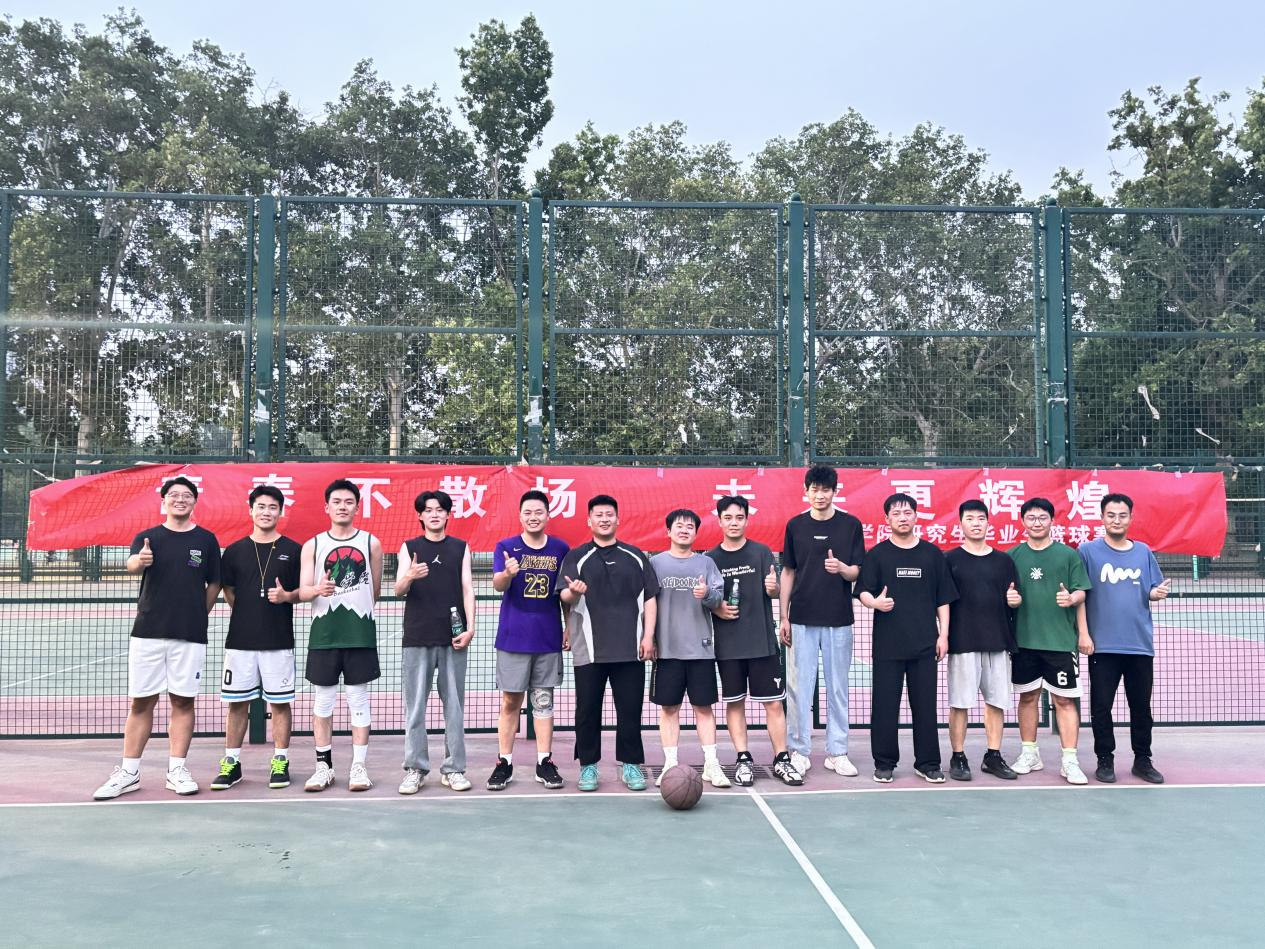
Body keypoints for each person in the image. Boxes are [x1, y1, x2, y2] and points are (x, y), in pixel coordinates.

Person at [93, 477, 221, 800]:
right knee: (141, 702)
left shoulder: (206, 540)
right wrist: (141, 561)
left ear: (195, 502)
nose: (180, 500)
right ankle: (129, 772)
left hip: (189, 635)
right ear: (163, 501)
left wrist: (198, 613)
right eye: (174, 495)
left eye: (187, 495)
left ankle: (176, 770)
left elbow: (215, 583)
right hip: (148, 633)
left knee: (183, 701)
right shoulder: (147, 537)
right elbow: (132, 564)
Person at [557, 495, 658, 792]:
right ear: (589, 520)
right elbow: (564, 596)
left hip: (630, 648)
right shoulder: (577, 556)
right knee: (587, 710)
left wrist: (648, 635)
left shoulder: (635, 556)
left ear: (617, 519)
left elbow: (650, 597)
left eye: (609, 514)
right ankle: (588, 766)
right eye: (598, 515)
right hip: (589, 648)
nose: (604, 519)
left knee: (630, 710)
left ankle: (631, 764)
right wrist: (575, 592)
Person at [857, 493, 957, 783]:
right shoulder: (877, 555)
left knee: (925, 706)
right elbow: (863, 590)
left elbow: (943, 599)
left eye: (907, 512)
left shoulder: (932, 554)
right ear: (887, 519)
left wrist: (944, 635)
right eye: (896, 513)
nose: (902, 518)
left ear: (916, 516)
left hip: (925, 643)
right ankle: (884, 762)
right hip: (888, 645)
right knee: (885, 706)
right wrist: (875, 603)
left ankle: (927, 763)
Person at [211, 485, 302, 791]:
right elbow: (229, 590)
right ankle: (232, 762)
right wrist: (248, 611)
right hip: (240, 641)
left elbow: (301, 591)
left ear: (281, 512)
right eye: (261, 506)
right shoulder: (235, 550)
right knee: (237, 704)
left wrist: (286, 596)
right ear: (250, 510)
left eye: (273, 507)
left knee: (280, 704)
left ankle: (280, 761)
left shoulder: (293, 549)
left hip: (278, 640)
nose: (266, 512)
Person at [707, 496, 803, 786]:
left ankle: (781, 759)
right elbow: (707, 598)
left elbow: (774, 591)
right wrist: (717, 608)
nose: (734, 523)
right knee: (735, 703)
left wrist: (773, 589)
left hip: (762, 643)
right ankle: (743, 759)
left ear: (747, 520)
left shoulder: (761, 553)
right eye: (728, 518)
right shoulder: (710, 558)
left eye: (739, 517)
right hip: (728, 647)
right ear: (719, 521)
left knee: (773, 704)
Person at [779, 464, 865, 778]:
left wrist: (841, 568)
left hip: (838, 619)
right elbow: (788, 572)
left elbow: (857, 572)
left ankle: (837, 752)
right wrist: (783, 616)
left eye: (825, 490)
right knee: (799, 688)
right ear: (806, 491)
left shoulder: (850, 525)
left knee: (838, 688)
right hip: (801, 618)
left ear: (834, 492)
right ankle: (799, 750)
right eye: (814, 489)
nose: (820, 495)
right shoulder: (795, 525)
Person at [1077, 493, 1169, 784]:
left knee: (1141, 707)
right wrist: (1084, 634)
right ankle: (1105, 759)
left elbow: (1151, 589)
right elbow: (1080, 594)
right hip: (1102, 646)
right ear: (1102, 517)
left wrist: (1156, 593)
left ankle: (1143, 760)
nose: (1116, 520)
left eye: (1122, 515)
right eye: (1111, 515)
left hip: (1139, 645)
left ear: (1130, 518)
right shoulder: (1087, 551)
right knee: (1101, 707)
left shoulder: (1143, 551)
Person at [298, 479, 383, 793]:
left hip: (360, 634)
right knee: (323, 702)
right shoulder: (313, 545)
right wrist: (317, 590)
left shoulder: (371, 543)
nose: (343, 507)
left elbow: (374, 591)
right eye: (337, 501)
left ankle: (359, 767)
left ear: (357, 507)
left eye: (349, 502)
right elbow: (303, 591)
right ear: (327, 507)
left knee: (359, 700)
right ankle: (324, 767)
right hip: (324, 634)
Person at [486, 490, 570, 791]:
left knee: (544, 700)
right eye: (528, 512)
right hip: (513, 638)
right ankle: (504, 762)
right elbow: (498, 585)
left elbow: (564, 593)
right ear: (520, 516)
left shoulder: (560, 549)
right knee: (511, 701)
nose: (533, 517)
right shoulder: (506, 547)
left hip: (547, 637)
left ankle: (544, 762)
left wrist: (569, 627)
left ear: (548, 515)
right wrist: (508, 574)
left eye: (538, 512)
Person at [396, 490, 476, 794]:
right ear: (420, 515)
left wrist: (470, 629)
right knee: (415, 707)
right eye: (428, 510)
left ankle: (454, 768)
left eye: (440, 509)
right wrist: (410, 576)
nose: (434, 514)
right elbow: (398, 589)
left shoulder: (460, 547)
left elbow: (467, 589)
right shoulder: (409, 548)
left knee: (454, 706)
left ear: (447, 514)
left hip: (453, 637)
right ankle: (415, 768)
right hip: (417, 636)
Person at [1008, 497, 1093, 785]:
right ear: (1022, 521)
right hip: (1024, 642)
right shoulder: (1012, 556)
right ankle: (1029, 753)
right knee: (1027, 697)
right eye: (1031, 518)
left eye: (1042, 517)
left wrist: (1074, 603)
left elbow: (1081, 593)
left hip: (1060, 642)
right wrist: (1009, 599)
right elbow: (1003, 595)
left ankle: (1070, 760)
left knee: (1065, 701)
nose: (1037, 523)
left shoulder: (1068, 555)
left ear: (1052, 521)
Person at [648, 509, 729, 789]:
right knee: (669, 708)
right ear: (668, 531)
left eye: (690, 527)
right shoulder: (655, 563)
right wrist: (650, 638)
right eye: (679, 526)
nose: (684, 530)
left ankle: (711, 763)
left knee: (703, 707)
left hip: (700, 649)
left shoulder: (706, 563)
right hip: (667, 651)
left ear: (696, 533)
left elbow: (718, 599)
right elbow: (647, 603)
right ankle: (670, 764)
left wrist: (707, 594)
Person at [944, 500, 1021, 781]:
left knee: (997, 702)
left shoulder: (1004, 561)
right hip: (963, 641)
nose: (976, 523)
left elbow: (1015, 598)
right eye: (970, 518)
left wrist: (1014, 600)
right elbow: (941, 602)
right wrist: (943, 635)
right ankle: (958, 756)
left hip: (998, 641)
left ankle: (993, 756)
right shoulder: (949, 559)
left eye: (980, 518)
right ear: (960, 524)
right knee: (960, 703)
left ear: (988, 522)